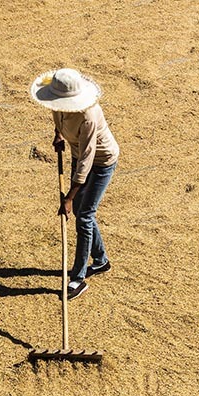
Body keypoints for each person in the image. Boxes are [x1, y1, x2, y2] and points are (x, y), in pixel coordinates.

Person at [30, 68, 120, 300]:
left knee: (84, 216)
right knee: (84, 213)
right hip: (77, 154)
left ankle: (78, 279)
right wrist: (59, 135)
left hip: (100, 162)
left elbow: (87, 161)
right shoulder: (57, 104)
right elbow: (58, 118)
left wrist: (69, 198)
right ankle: (101, 261)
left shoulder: (89, 117)